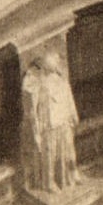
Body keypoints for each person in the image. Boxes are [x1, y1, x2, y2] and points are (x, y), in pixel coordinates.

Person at [21, 50, 81, 192]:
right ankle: (48, 182)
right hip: (49, 126)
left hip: (63, 122)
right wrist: (37, 127)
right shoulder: (40, 85)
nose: (58, 65)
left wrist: (73, 114)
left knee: (69, 152)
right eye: (55, 63)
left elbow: (69, 99)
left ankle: (71, 174)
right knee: (49, 156)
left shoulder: (62, 81)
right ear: (48, 66)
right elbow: (34, 107)